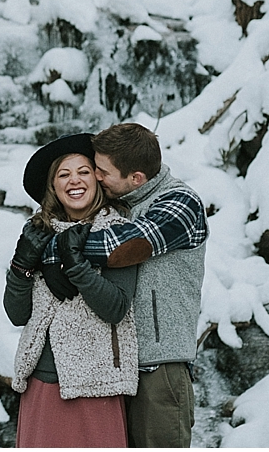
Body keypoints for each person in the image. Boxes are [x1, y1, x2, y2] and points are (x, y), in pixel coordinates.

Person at [42, 123, 208, 448]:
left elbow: (123, 245)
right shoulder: (123, 203)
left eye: (102, 171)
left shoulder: (180, 202)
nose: (96, 177)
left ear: (136, 178)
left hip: (158, 366)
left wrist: (52, 249)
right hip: (116, 369)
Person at [4, 133, 140, 447]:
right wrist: (21, 265)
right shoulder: (37, 234)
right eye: (63, 174)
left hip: (96, 384)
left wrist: (76, 266)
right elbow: (16, 314)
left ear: (98, 178)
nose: (74, 180)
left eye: (83, 171)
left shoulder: (119, 232)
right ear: (53, 186)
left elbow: (116, 307)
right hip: (42, 381)